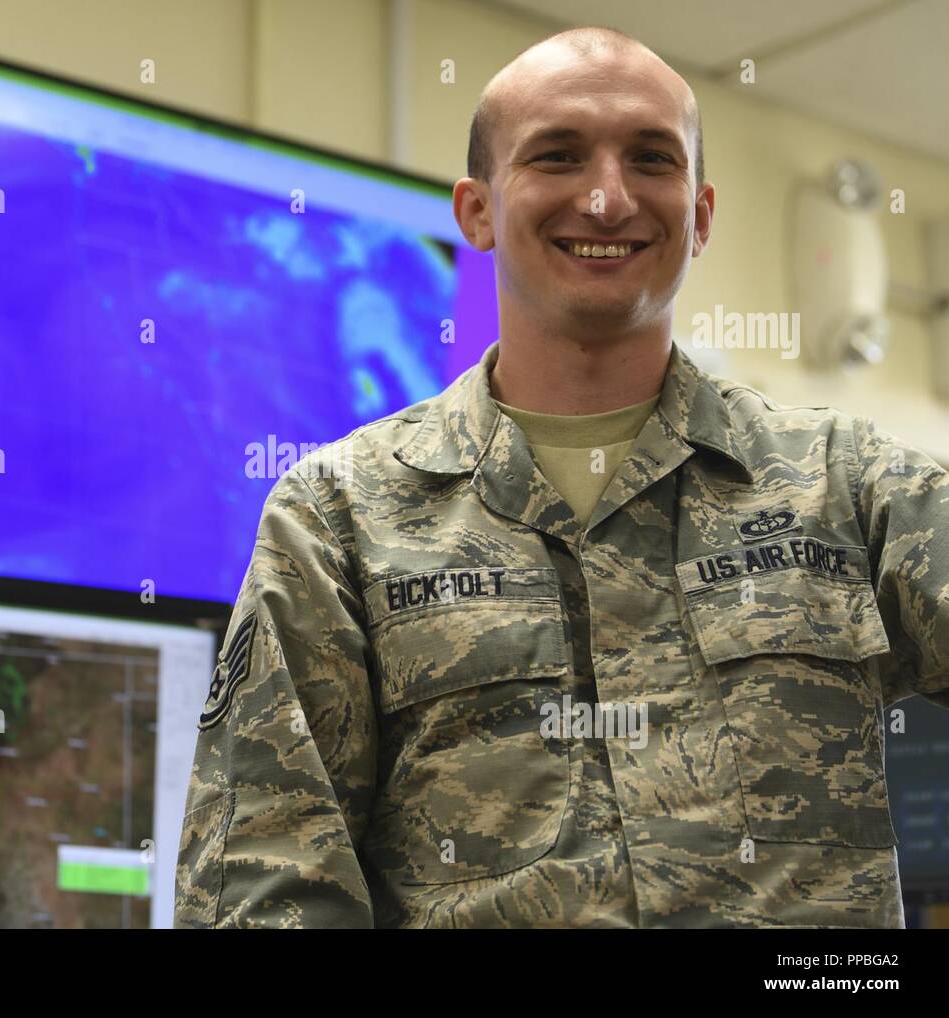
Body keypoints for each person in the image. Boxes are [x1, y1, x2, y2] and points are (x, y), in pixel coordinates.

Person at [173, 25, 949, 928]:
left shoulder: (847, 486)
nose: (609, 198)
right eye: (558, 156)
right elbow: (262, 887)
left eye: (651, 159)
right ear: (476, 211)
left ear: (699, 215)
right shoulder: (340, 519)